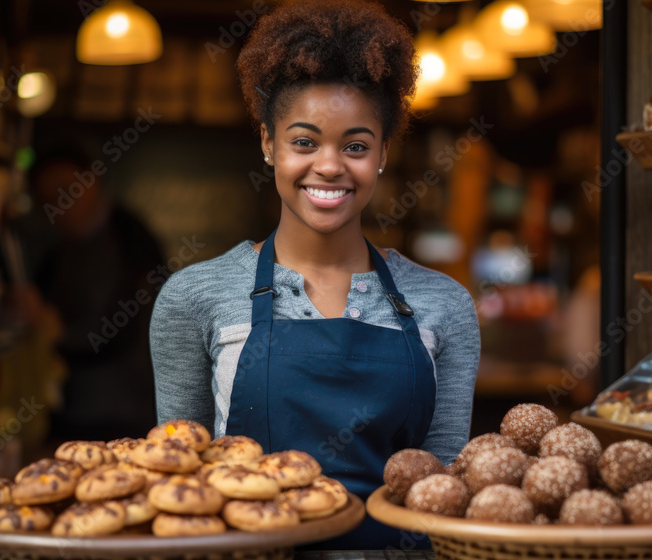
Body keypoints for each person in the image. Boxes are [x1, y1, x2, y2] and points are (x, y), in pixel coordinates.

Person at [150, 0, 480, 548]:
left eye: (355, 146)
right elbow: (177, 488)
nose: (329, 166)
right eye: (304, 141)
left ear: (382, 154)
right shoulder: (195, 297)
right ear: (267, 144)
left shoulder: (443, 304)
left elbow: (444, 492)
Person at [27, 146, 164, 442]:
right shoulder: (58, 248)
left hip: (121, 412)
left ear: (92, 182)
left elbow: (125, 325)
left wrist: (57, 330)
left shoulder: (130, 240)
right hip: (70, 410)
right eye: (47, 200)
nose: (59, 205)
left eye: (66, 190)